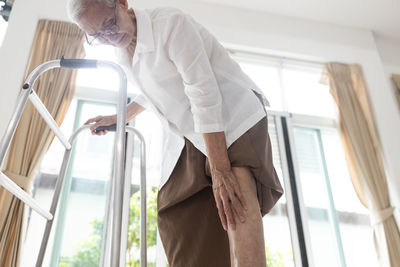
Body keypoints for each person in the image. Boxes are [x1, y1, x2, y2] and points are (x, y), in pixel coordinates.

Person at [67, 0, 284, 266]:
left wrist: (220, 168)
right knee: (174, 212)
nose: (109, 37)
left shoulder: (170, 23)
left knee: (234, 204)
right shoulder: (122, 53)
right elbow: (153, 91)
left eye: (109, 24)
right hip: (191, 134)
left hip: (231, 119)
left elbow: (202, 91)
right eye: (97, 36)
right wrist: (120, 117)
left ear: (122, 4)